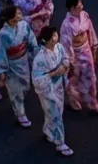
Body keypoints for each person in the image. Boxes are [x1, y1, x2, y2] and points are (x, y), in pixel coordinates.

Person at [0, 4, 38, 128]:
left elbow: (31, 41)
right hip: (11, 65)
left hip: (23, 61)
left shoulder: (24, 26)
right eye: (17, 13)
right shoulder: (3, 34)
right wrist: (1, 71)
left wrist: (36, 52)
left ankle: (18, 104)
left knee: (25, 86)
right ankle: (20, 114)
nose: (20, 14)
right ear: (11, 17)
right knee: (15, 90)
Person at [32, 26, 74, 156]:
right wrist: (54, 73)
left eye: (56, 36)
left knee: (56, 111)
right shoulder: (40, 58)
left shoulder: (59, 47)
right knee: (55, 115)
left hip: (58, 85)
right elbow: (37, 79)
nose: (55, 39)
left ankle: (47, 129)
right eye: (52, 38)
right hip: (47, 88)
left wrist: (65, 66)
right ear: (46, 40)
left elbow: (65, 58)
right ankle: (60, 143)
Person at [58, 0, 98, 112]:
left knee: (90, 76)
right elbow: (66, 43)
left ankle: (92, 102)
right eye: (77, 6)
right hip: (74, 53)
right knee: (74, 79)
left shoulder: (85, 15)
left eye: (81, 4)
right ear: (71, 8)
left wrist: (94, 48)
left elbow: (90, 31)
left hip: (86, 49)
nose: (80, 7)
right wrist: (69, 61)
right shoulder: (66, 24)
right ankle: (74, 100)